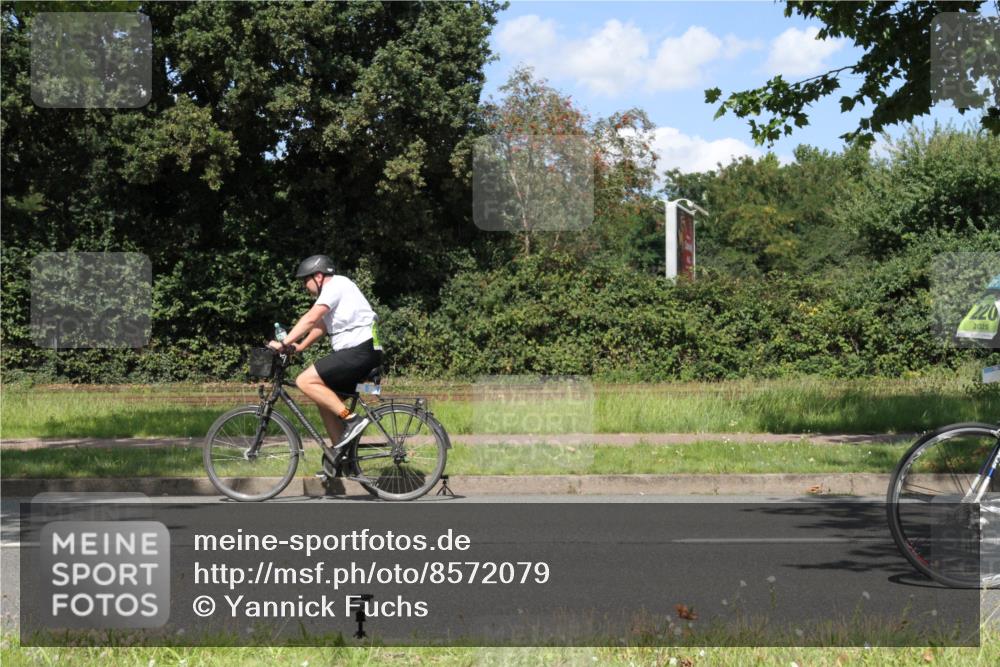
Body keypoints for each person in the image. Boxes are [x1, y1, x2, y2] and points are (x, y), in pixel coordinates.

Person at [267, 255, 383, 460]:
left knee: (304, 380)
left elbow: (311, 318)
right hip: (362, 352)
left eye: (306, 281)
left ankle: (352, 420)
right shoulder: (336, 291)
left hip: (360, 350)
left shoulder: (336, 285)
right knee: (325, 400)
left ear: (318, 276)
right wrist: (298, 347)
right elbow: (320, 326)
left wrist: (283, 343)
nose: (305, 286)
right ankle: (341, 458)